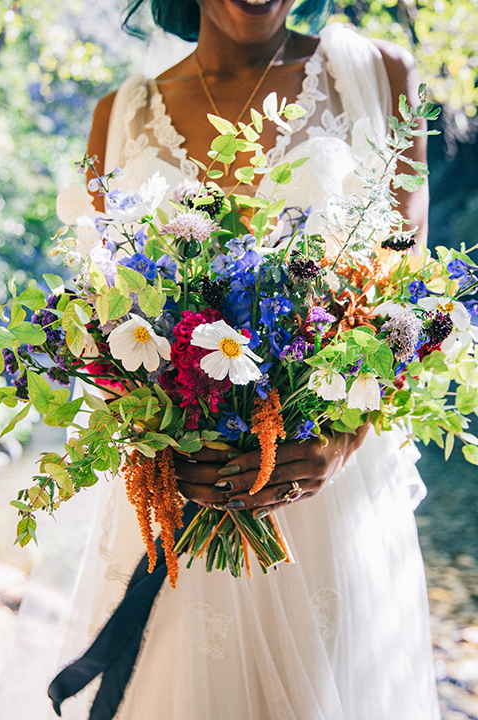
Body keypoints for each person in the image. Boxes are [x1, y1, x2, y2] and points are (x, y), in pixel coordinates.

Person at [49, 1, 441, 718]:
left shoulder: (379, 76)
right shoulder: (118, 113)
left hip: (327, 502)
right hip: (173, 499)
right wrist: (157, 436)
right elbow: (96, 317)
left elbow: (407, 297)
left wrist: (344, 440)